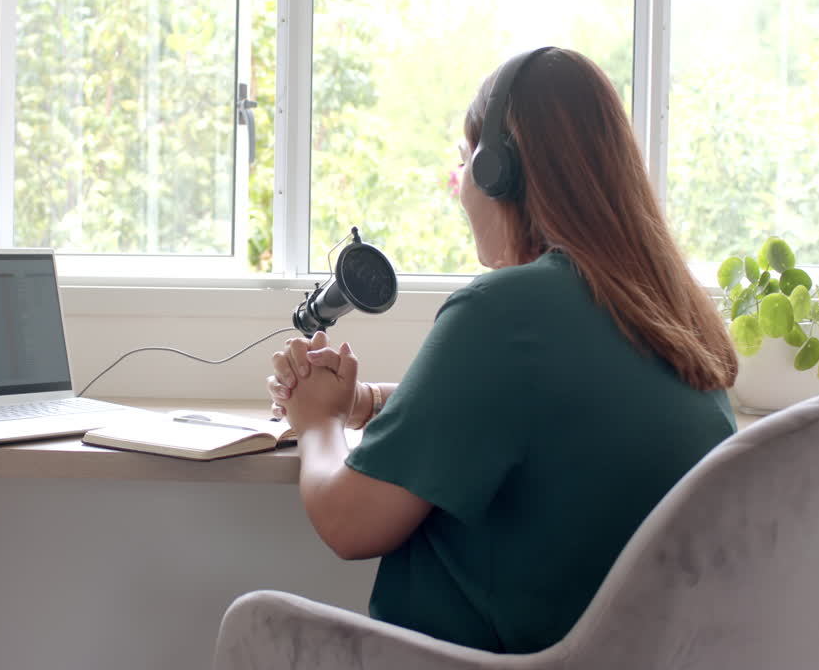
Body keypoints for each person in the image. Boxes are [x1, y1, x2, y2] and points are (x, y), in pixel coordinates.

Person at [266, 47, 737, 654]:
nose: (462, 192)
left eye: (466, 167)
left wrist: (318, 420)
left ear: (499, 173)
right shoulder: (671, 309)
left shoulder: (505, 311)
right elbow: (545, 420)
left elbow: (347, 522)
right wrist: (366, 401)